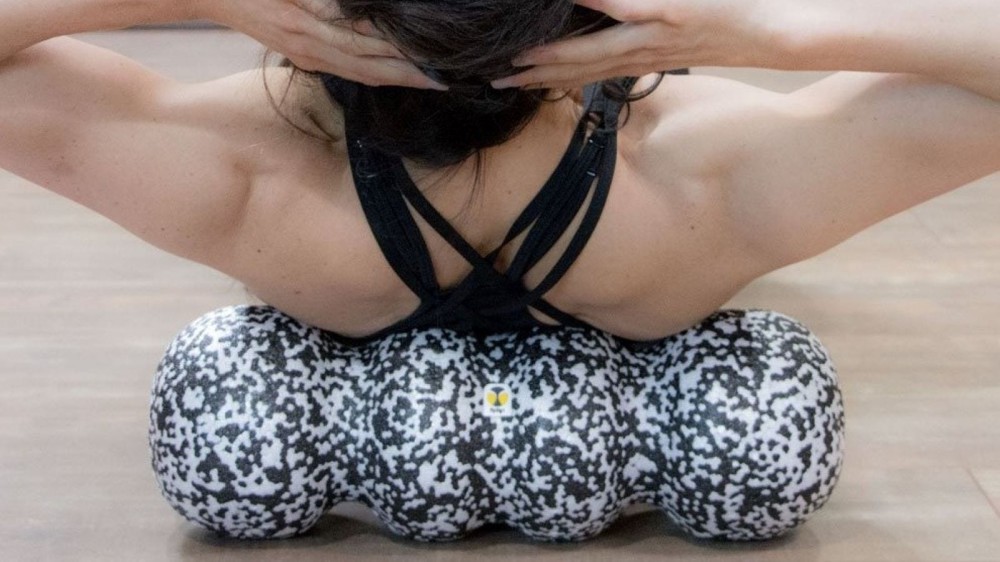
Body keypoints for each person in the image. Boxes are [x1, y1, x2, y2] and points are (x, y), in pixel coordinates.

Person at [0, 0, 997, 342]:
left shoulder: (238, 181)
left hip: (332, 252)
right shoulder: (711, 184)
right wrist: (762, 27)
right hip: (636, 246)